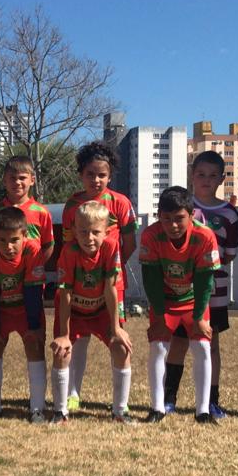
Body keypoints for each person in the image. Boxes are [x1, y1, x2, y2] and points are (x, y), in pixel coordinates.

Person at [60, 141, 138, 411]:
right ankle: (73, 394)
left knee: (116, 337)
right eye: (90, 174)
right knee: (78, 338)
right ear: (81, 175)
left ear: (110, 175)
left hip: (110, 282)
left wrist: (110, 268)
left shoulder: (121, 203)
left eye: (101, 175)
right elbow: (68, 244)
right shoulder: (73, 205)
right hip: (79, 281)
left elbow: (130, 243)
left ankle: (120, 404)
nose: (96, 180)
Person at [163, 151, 238, 418]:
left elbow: (230, 254)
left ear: (222, 178)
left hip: (215, 290)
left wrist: (208, 260)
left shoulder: (230, 214)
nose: (206, 180)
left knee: (210, 343)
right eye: (200, 174)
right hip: (182, 290)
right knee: (179, 343)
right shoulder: (183, 207)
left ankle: (211, 401)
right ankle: (168, 398)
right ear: (192, 176)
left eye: (212, 175)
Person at [141, 187, 221, 424]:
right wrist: (158, 317)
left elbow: (205, 281)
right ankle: (157, 408)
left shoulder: (205, 236)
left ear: (191, 214)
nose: (173, 225)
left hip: (194, 301)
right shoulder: (150, 235)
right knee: (158, 347)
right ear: (159, 216)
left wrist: (199, 318)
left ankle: (202, 411)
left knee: (202, 347)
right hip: (165, 302)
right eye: (166, 219)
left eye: (179, 218)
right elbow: (151, 280)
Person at [48, 201, 133, 423]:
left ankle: (120, 411)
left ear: (106, 231)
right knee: (62, 351)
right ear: (74, 231)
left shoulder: (111, 247)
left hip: (100, 310)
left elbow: (111, 288)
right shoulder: (69, 251)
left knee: (121, 348)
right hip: (74, 311)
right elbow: (65, 294)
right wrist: (64, 334)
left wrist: (116, 328)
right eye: (83, 231)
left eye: (96, 232)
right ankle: (60, 412)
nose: (89, 238)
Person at [0, 207, 47, 422]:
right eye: (2, 240)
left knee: (35, 346)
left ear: (25, 235)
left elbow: (33, 291)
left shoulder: (33, 250)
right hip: (0, 309)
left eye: (14, 240)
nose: (8, 246)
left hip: (27, 309)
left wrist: (34, 327)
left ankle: (37, 409)